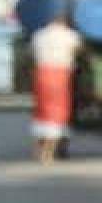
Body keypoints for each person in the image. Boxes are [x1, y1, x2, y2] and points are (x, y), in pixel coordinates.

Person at [30, 14, 82, 165]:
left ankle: (38, 149)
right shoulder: (69, 35)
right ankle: (48, 153)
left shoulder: (39, 35)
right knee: (57, 114)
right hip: (60, 76)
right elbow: (79, 50)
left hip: (41, 75)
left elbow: (32, 53)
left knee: (41, 112)